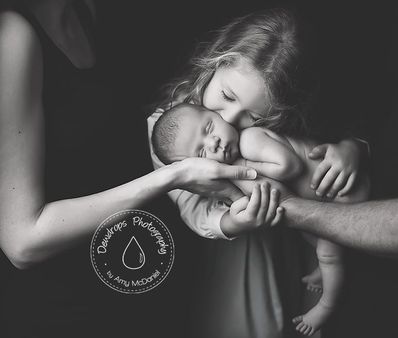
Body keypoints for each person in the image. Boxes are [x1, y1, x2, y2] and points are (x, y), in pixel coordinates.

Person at [0, 1, 264, 337]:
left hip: (137, 288)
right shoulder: (13, 36)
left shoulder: (88, 11)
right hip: (64, 310)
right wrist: (174, 176)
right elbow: (22, 243)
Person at [147, 9, 369, 335]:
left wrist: (353, 147)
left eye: (254, 115)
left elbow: (319, 141)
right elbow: (190, 206)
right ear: (214, 64)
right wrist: (232, 221)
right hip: (237, 251)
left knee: (305, 309)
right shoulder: (164, 128)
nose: (232, 119)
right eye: (226, 96)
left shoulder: (273, 125)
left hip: (305, 237)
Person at [261, 2, 398, 337]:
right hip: (352, 285)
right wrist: (357, 144)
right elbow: (383, 119)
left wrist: (290, 209)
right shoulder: (355, 24)